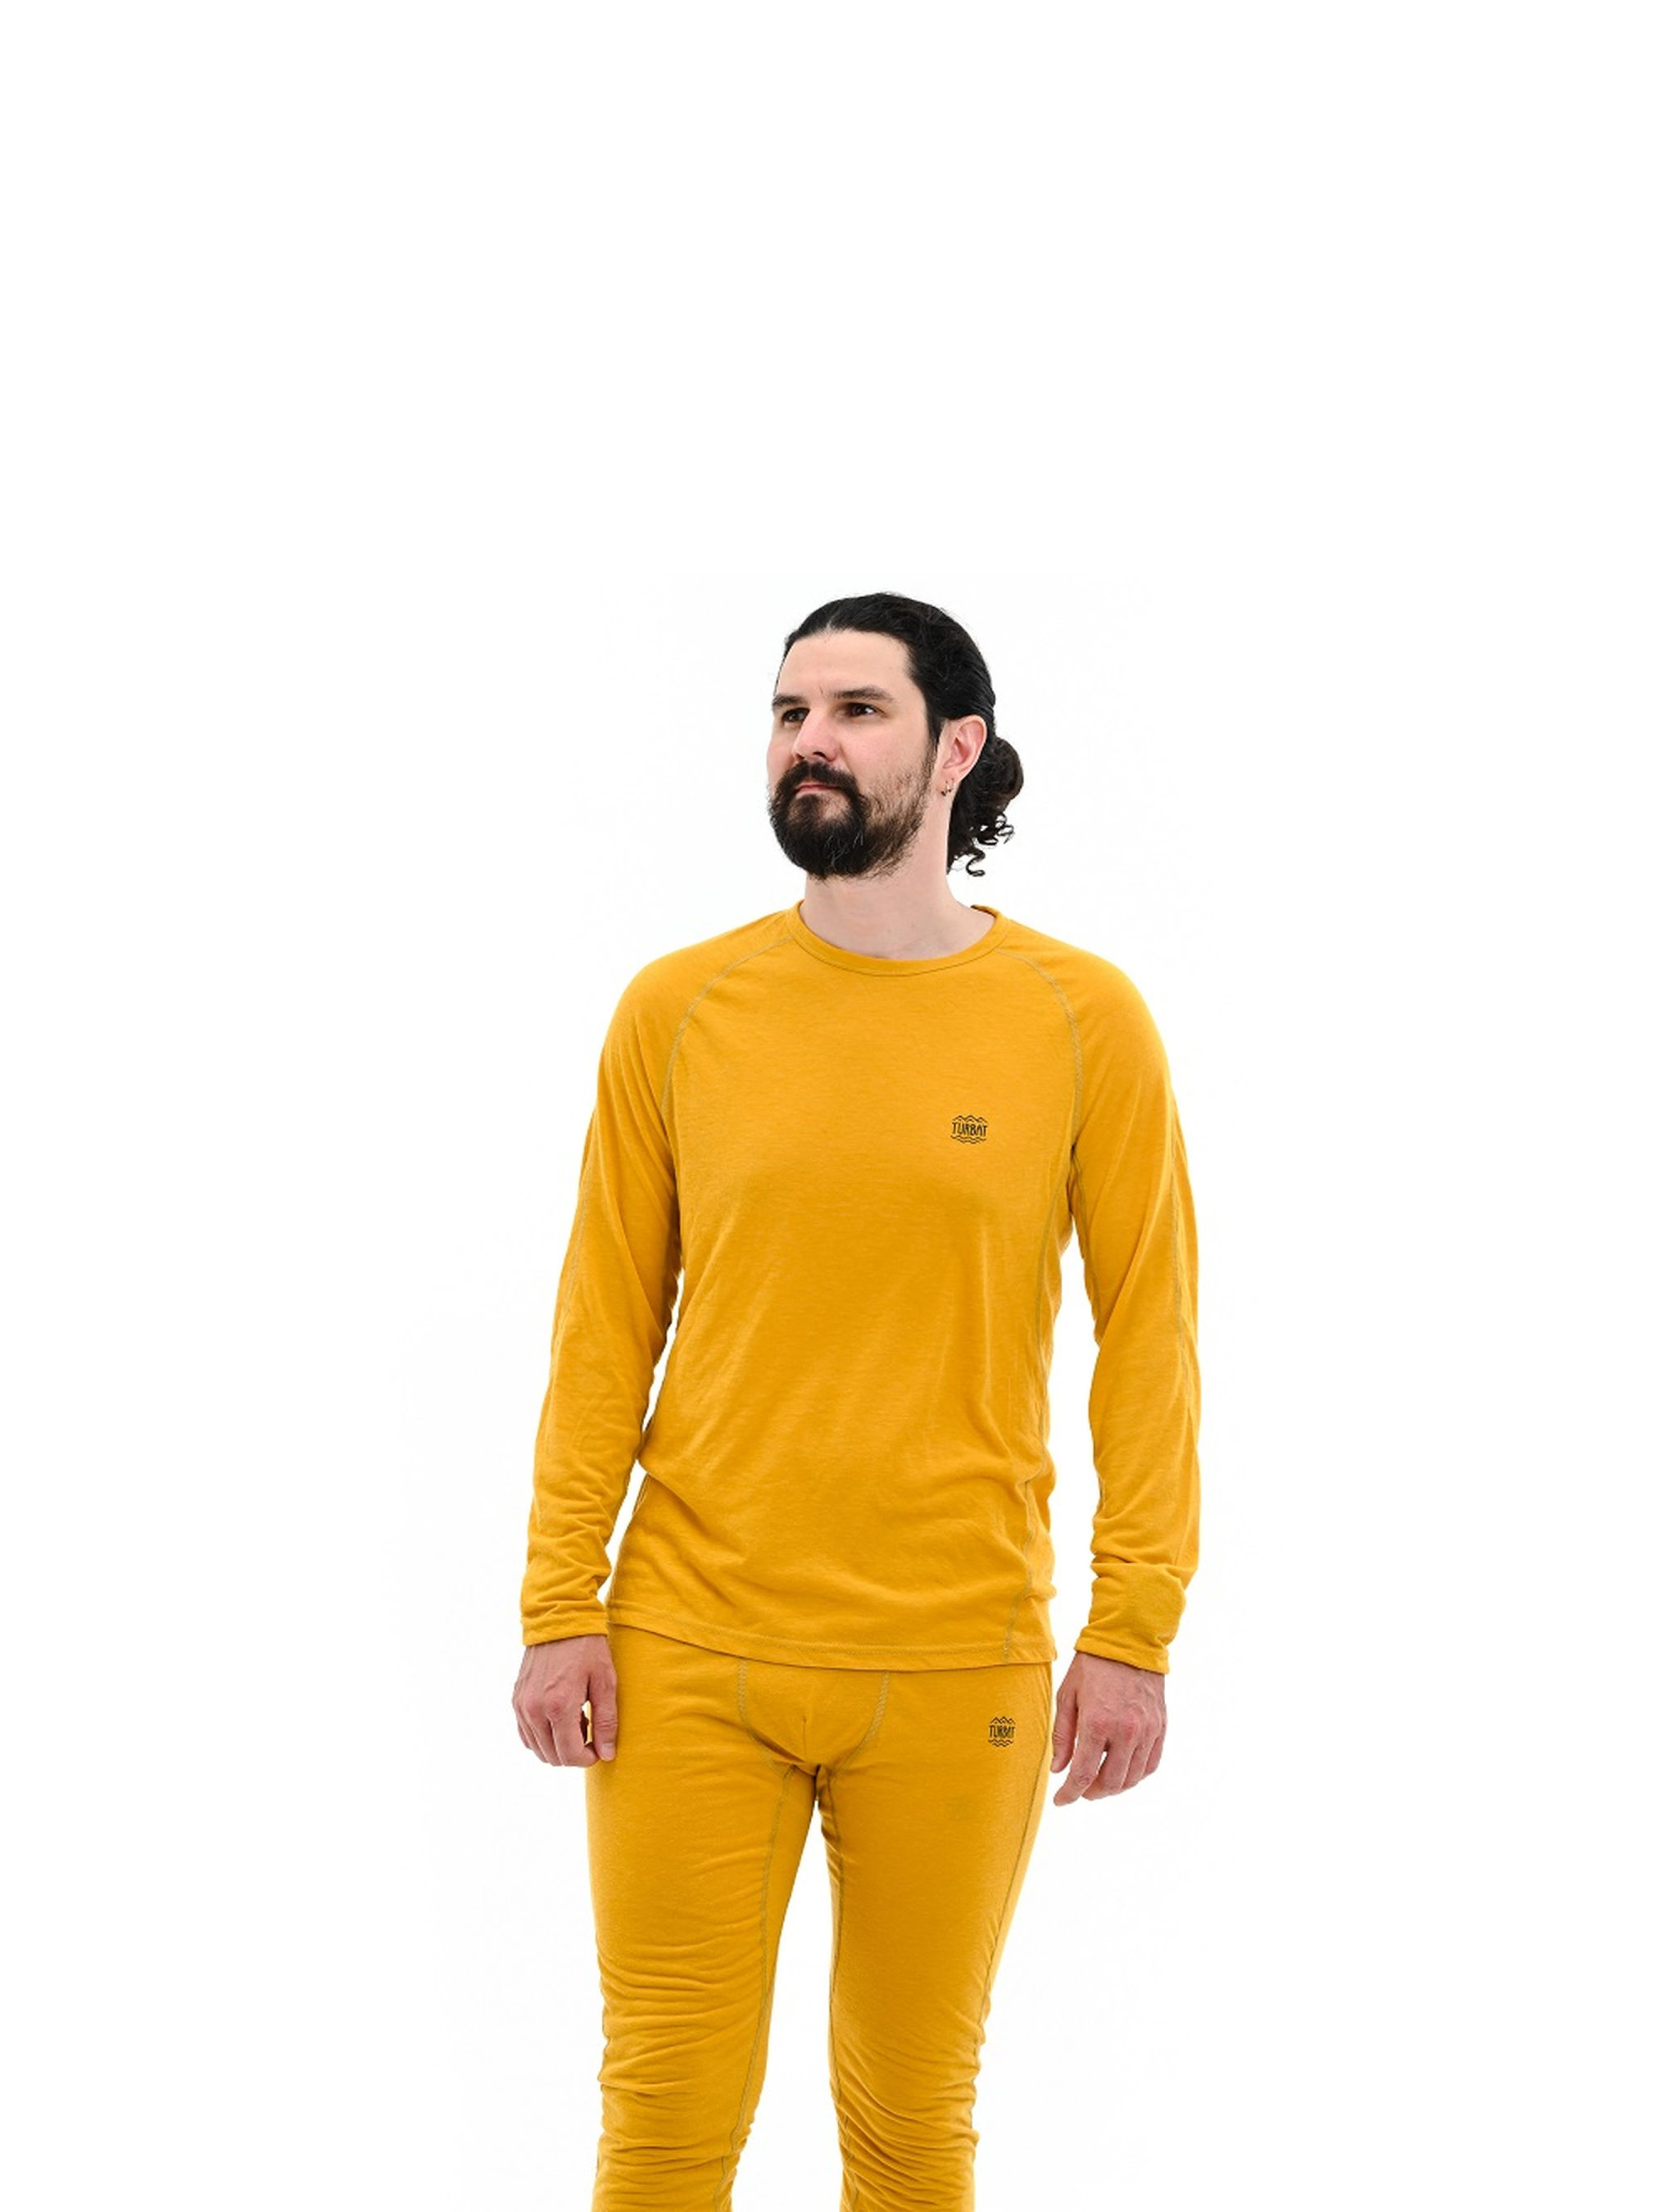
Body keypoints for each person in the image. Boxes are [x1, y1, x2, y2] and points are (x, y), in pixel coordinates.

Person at [512, 590, 1202, 2211]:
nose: (806, 741)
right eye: (786, 712)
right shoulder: (677, 1009)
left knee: (909, 2127)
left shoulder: (1082, 1018)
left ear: (956, 749)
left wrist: (1132, 1630)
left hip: (954, 1650)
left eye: (853, 710)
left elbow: (1150, 1337)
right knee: (663, 2118)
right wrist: (558, 1603)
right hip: (687, 1646)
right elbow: (601, 1329)